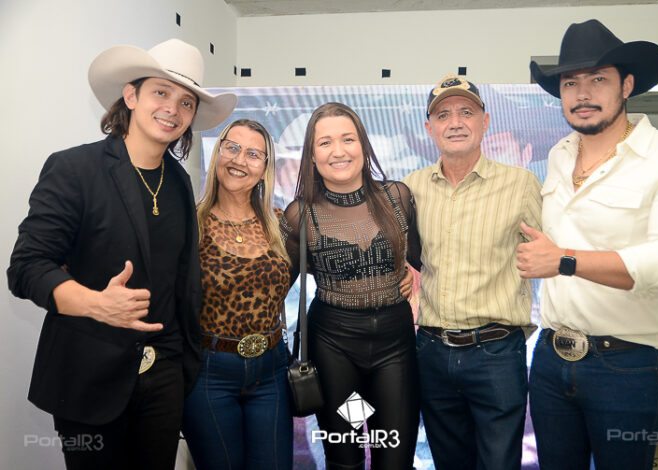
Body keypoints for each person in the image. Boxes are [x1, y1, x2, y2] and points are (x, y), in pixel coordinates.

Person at [6, 39, 236, 470]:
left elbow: (180, 280)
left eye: (186, 102)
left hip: (165, 378)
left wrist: (179, 364)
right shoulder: (75, 169)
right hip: (89, 378)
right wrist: (95, 303)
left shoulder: (179, 182)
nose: (173, 109)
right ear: (131, 96)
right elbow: (26, 268)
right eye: (161, 92)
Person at [517, 19, 658, 470]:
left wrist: (563, 260)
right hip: (550, 358)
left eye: (598, 79)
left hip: (628, 364)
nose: (582, 93)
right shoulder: (560, 154)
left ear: (626, 85)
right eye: (570, 83)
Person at [403, 75, 542, 470]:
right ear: (429, 128)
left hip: (496, 353)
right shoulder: (411, 188)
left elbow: (547, 256)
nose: (455, 123)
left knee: (498, 463)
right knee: (449, 462)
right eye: (443, 115)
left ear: (485, 122)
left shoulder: (520, 185)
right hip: (432, 351)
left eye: (466, 112)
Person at [281, 102, 421, 470]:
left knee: (394, 458)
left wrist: (412, 276)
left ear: (363, 145)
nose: (338, 151)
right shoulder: (300, 214)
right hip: (335, 351)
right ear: (312, 155)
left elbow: (424, 262)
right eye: (325, 142)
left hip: (394, 349)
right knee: (346, 456)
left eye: (348, 139)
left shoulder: (398, 197)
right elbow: (275, 284)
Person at [181, 119, 293, 469]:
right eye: (232, 148)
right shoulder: (190, 224)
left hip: (272, 371)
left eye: (253, 154)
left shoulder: (280, 223)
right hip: (209, 373)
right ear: (218, 154)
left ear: (264, 169)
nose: (239, 160)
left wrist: (395, 279)